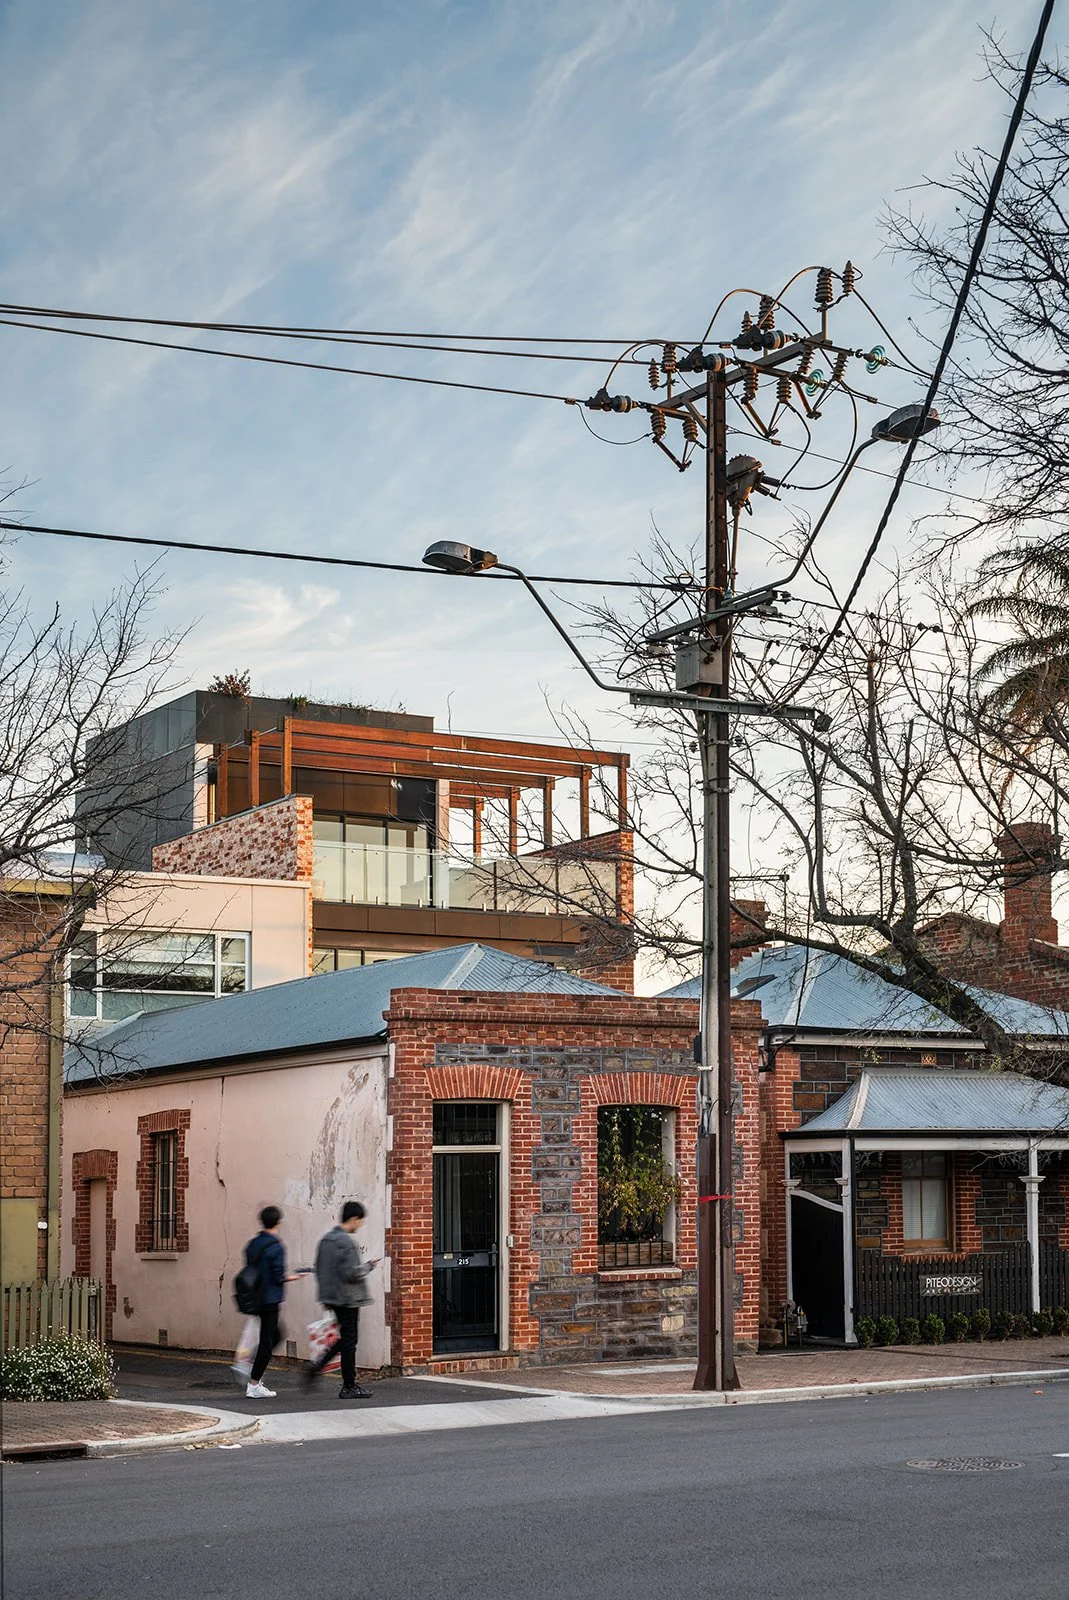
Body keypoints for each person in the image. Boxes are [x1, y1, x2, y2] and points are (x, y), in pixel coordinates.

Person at [307, 1200, 376, 1399]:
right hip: (349, 1298)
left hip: (333, 1297)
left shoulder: (326, 1240)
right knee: (349, 1342)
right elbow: (351, 1273)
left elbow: (319, 1269)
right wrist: (368, 1266)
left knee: (344, 1339)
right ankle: (349, 1385)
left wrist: (325, 1296)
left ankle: (318, 1367)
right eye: (360, 1220)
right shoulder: (346, 1242)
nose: (361, 1224)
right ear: (353, 1219)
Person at [242, 1204, 298, 1399]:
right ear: (278, 1223)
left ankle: (252, 1364)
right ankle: (254, 1384)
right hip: (270, 1299)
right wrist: (293, 1277)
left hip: (254, 1297)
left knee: (274, 1335)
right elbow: (278, 1276)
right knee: (268, 1341)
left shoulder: (252, 1244)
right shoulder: (276, 1246)